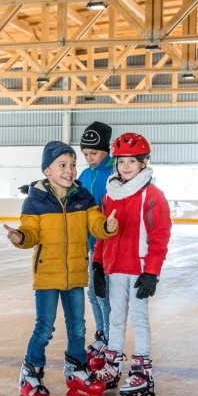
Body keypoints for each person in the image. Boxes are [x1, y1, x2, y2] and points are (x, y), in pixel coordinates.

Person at [4, 141, 118, 396]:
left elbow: (95, 224)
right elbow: (30, 231)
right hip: (46, 275)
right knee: (44, 327)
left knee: (78, 325)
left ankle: (77, 369)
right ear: (47, 170)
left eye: (72, 165)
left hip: (76, 273)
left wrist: (106, 226)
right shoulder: (35, 200)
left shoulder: (83, 197)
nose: (70, 171)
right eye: (62, 165)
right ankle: (32, 373)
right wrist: (21, 237)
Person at [91, 133, 171, 396]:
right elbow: (104, 231)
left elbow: (160, 236)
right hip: (114, 267)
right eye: (122, 161)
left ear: (144, 162)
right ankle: (112, 366)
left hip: (138, 269)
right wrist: (98, 265)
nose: (126, 166)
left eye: (132, 161)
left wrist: (152, 271)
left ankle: (142, 370)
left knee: (138, 317)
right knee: (115, 316)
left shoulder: (153, 195)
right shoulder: (111, 193)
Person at [77, 121, 115, 368]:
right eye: (86, 154)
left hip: (110, 245)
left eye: (94, 153)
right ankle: (101, 334)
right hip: (90, 244)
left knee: (105, 294)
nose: (90, 158)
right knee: (93, 292)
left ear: (107, 150)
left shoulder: (114, 173)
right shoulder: (84, 175)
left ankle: (111, 339)